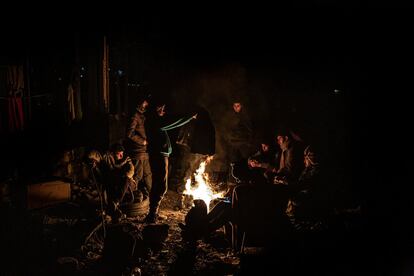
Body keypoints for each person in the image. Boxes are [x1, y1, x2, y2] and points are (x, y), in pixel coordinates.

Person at [144, 100, 197, 223]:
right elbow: (173, 122)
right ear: (155, 109)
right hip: (158, 155)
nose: (164, 110)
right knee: (161, 186)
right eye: (161, 108)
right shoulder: (154, 120)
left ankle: (153, 213)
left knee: (158, 184)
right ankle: (152, 215)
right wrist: (189, 116)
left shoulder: (154, 120)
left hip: (159, 154)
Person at [86, 143, 135, 220]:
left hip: (124, 182)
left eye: (122, 154)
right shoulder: (106, 156)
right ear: (112, 153)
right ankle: (114, 210)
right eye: (119, 154)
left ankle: (115, 203)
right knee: (109, 185)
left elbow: (131, 170)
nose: (121, 156)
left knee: (125, 180)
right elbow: (93, 154)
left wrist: (124, 175)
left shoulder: (125, 158)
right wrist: (91, 160)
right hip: (110, 181)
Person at [124, 96, 152, 202]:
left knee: (148, 174)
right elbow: (129, 134)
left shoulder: (142, 115)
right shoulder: (134, 116)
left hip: (144, 151)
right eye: (144, 103)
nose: (146, 105)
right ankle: (129, 197)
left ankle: (153, 197)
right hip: (137, 151)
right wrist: (142, 141)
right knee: (137, 176)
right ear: (139, 103)